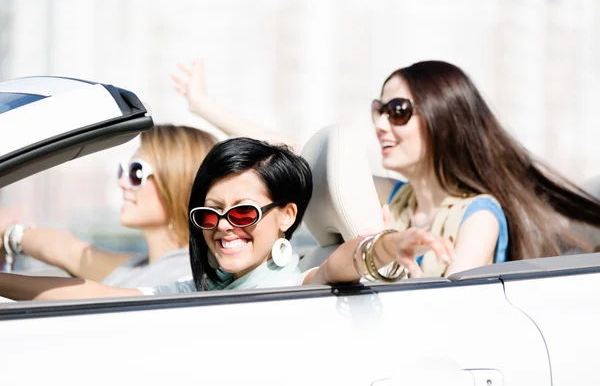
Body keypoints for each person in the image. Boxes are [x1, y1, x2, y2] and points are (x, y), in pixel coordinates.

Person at [172, 60, 600, 277]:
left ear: (444, 118)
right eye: (378, 109)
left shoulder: (480, 214)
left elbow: (463, 312)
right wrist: (205, 108)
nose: (380, 123)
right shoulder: (398, 197)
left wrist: (394, 264)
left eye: (398, 110)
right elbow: (302, 153)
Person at [0, 137, 454, 301]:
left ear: (286, 217)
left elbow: (342, 263)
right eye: (210, 213)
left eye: (242, 212)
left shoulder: (296, 283)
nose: (223, 226)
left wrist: (386, 246)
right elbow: (96, 293)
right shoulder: (200, 286)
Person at [0, 125, 218, 288]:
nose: (122, 182)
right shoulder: (143, 265)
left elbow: (87, 290)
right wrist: (11, 233)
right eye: (123, 171)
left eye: (136, 173)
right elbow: (69, 251)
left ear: (178, 182)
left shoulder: (185, 272)